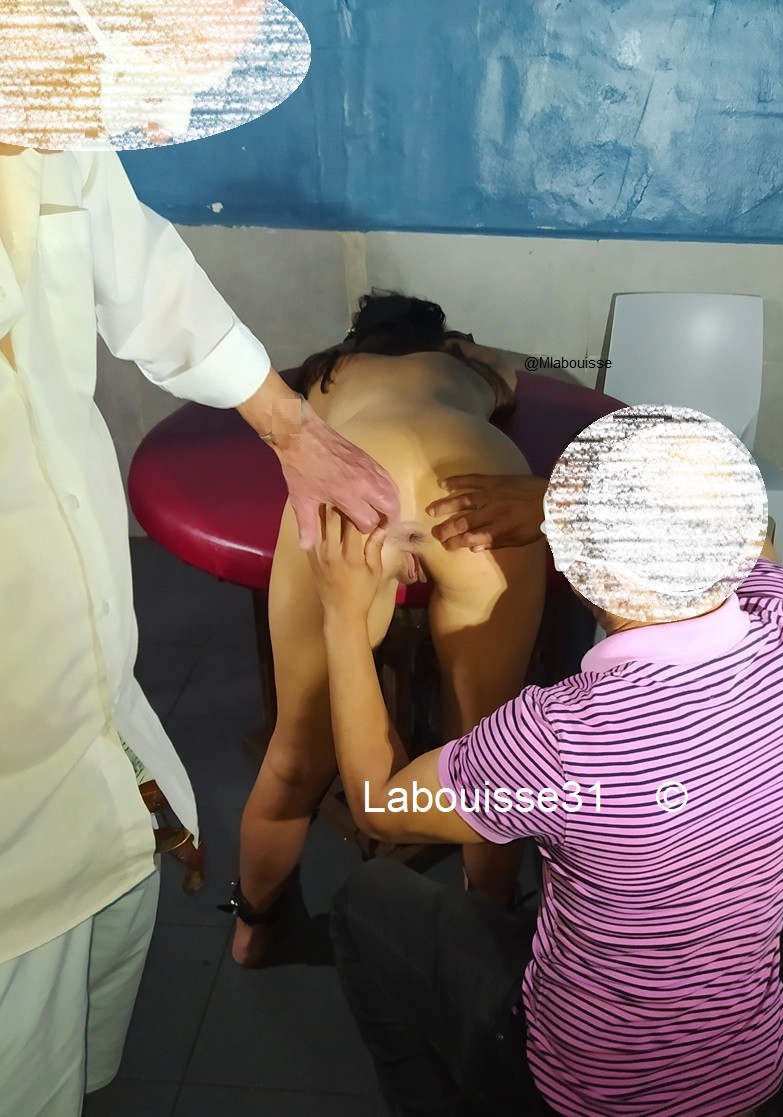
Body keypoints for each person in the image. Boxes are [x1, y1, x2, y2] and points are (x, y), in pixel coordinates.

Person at [0, 14, 397, 1111]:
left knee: (81, 1012)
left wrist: (293, 429)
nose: (166, 117)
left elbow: (143, 274)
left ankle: (245, 917)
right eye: (140, 78)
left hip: (78, 684)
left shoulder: (46, 114)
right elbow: (387, 794)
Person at [304, 406, 783, 1117]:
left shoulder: (563, 740)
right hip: (747, 1064)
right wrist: (558, 506)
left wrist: (343, 617)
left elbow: (380, 804)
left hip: (591, 1087)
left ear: (581, 573)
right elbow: (759, 539)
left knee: (365, 900)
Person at [224, 292, 547, 966]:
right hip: (470, 473)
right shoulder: (468, 364)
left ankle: (254, 929)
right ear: (442, 337)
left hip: (352, 478)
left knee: (296, 753)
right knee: (487, 754)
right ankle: (485, 934)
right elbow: (515, 372)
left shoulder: (326, 371)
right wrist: (467, 353)